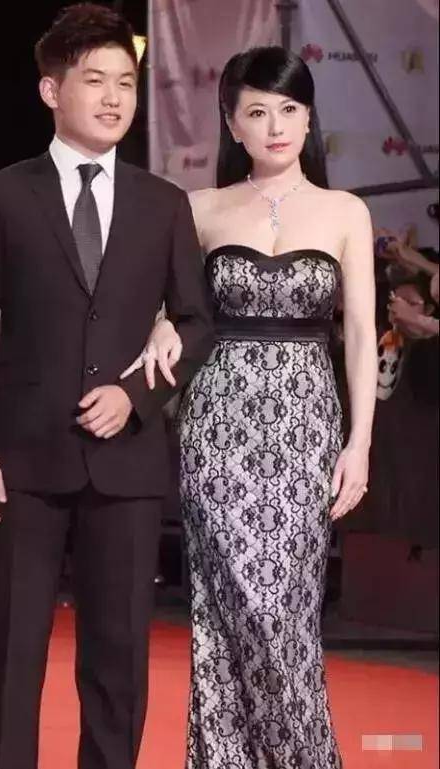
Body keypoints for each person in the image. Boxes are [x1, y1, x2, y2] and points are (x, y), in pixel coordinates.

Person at [0, 5, 213, 769]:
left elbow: (196, 323)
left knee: (119, 658)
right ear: (50, 90)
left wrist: (138, 395)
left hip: (126, 463)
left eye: (126, 82)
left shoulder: (164, 203)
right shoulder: (1, 196)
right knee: (13, 651)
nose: (114, 97)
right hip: (19, 463)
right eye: (94, 80)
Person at [132, 47, 377, 768]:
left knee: (283, 613)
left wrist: (360, 443)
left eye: (290, 110)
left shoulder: (345, 212)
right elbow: (173, 309)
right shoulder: (199, 208)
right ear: (232, 123)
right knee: (225, 609)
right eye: (259, 112)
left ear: (309, 117)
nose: (276, 127)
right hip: (217, 424)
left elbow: (362, 334)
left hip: (306, 425)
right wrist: (159, 325)